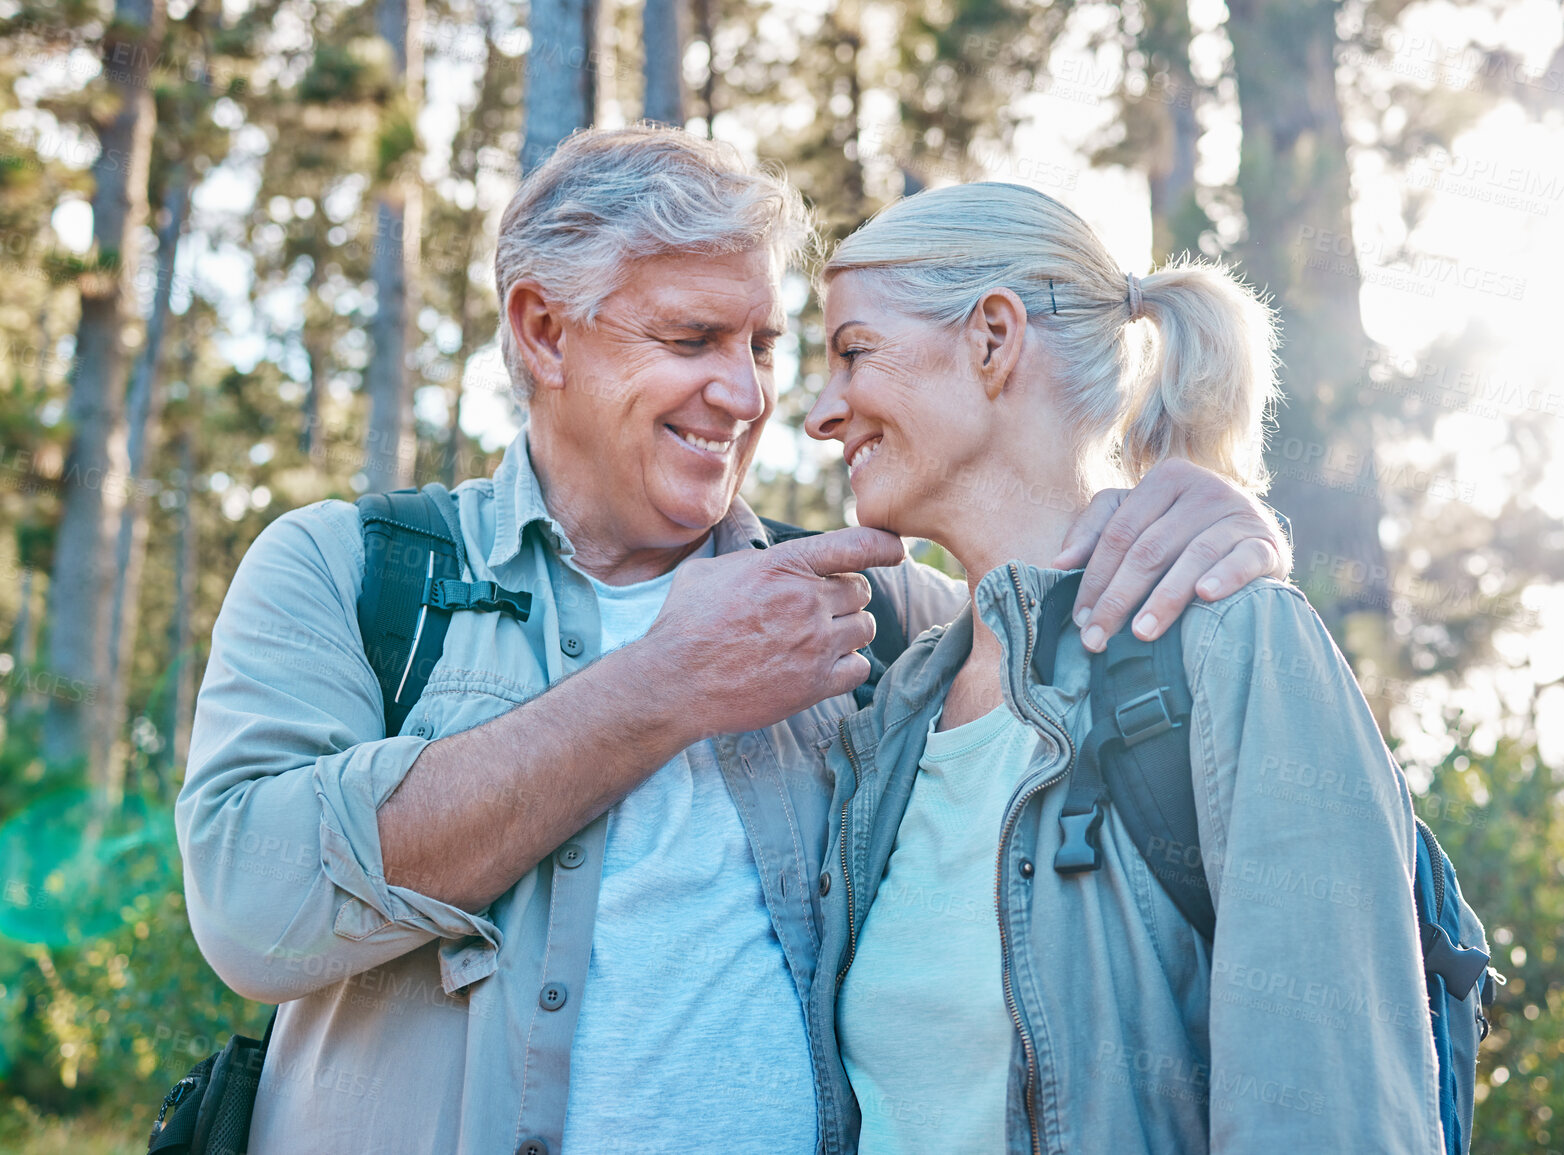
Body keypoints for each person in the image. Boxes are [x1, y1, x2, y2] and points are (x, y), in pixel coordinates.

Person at [176, 126, 1293, 1155]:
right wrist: (665, 686)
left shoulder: (883, 611)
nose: (747, 392)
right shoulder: (351, 570)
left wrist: (1210, 521)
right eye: (691, 337)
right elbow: (253, 913)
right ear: (543, 330)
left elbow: (1068, 629)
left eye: (761, 343)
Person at [803, 181, 1443, 1155]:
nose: (820, 410)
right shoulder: (890, 722)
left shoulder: (1234, 644)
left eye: (853, 352)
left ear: (992, 340)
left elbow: (1335, 1116)